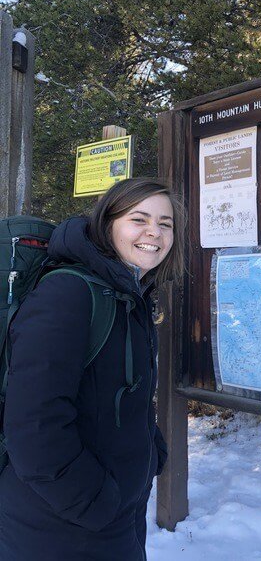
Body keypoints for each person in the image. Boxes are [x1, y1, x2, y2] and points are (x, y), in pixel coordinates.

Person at [0, 177, 184, 561]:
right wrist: (93, 501)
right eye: (139, 219)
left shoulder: (127, 293)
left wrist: (151, 450)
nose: (154, 232)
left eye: (165, 223)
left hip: (114, 513)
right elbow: (33, 424)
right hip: (58, 524)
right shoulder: (68, 294)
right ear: (107, 223)